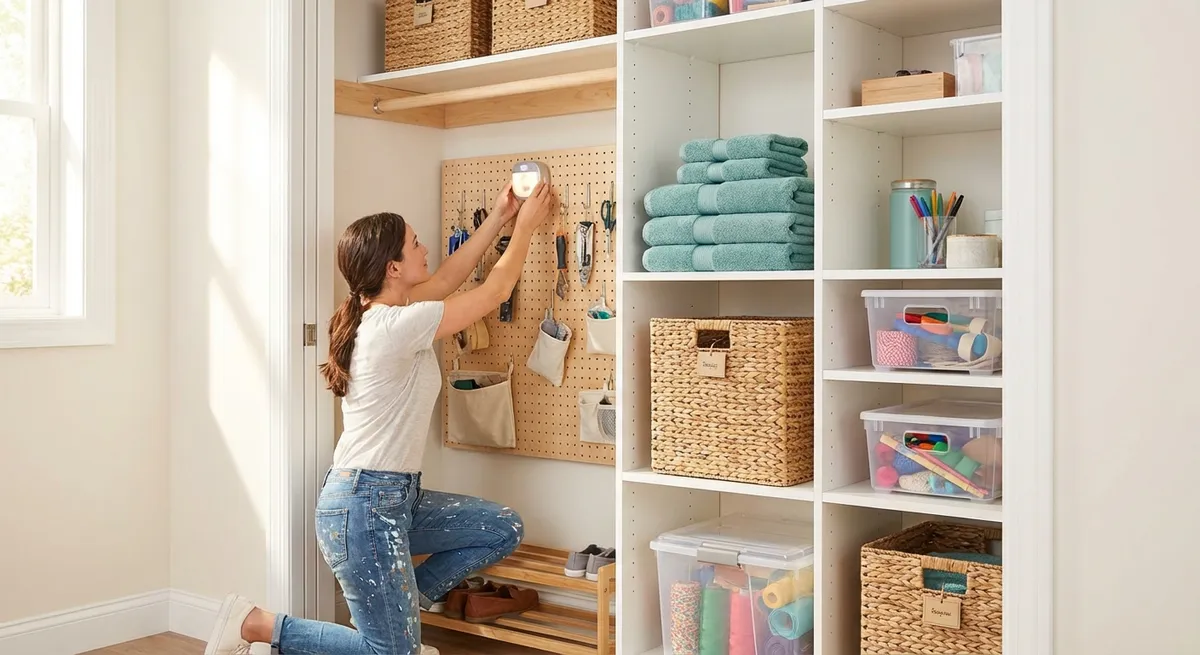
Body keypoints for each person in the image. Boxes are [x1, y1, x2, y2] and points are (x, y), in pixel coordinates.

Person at [204, 181, 556, 655]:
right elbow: (495, 291)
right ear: (393, 268)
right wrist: (527, 229)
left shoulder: (386, 312)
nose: (425, 247)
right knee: (389, 653)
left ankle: (398, 614)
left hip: (390, 497)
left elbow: (450, 278)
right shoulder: (394, 326)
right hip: (364, 506)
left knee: (502, 528)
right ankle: (258, 624)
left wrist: (499, 217)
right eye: (415, 244)